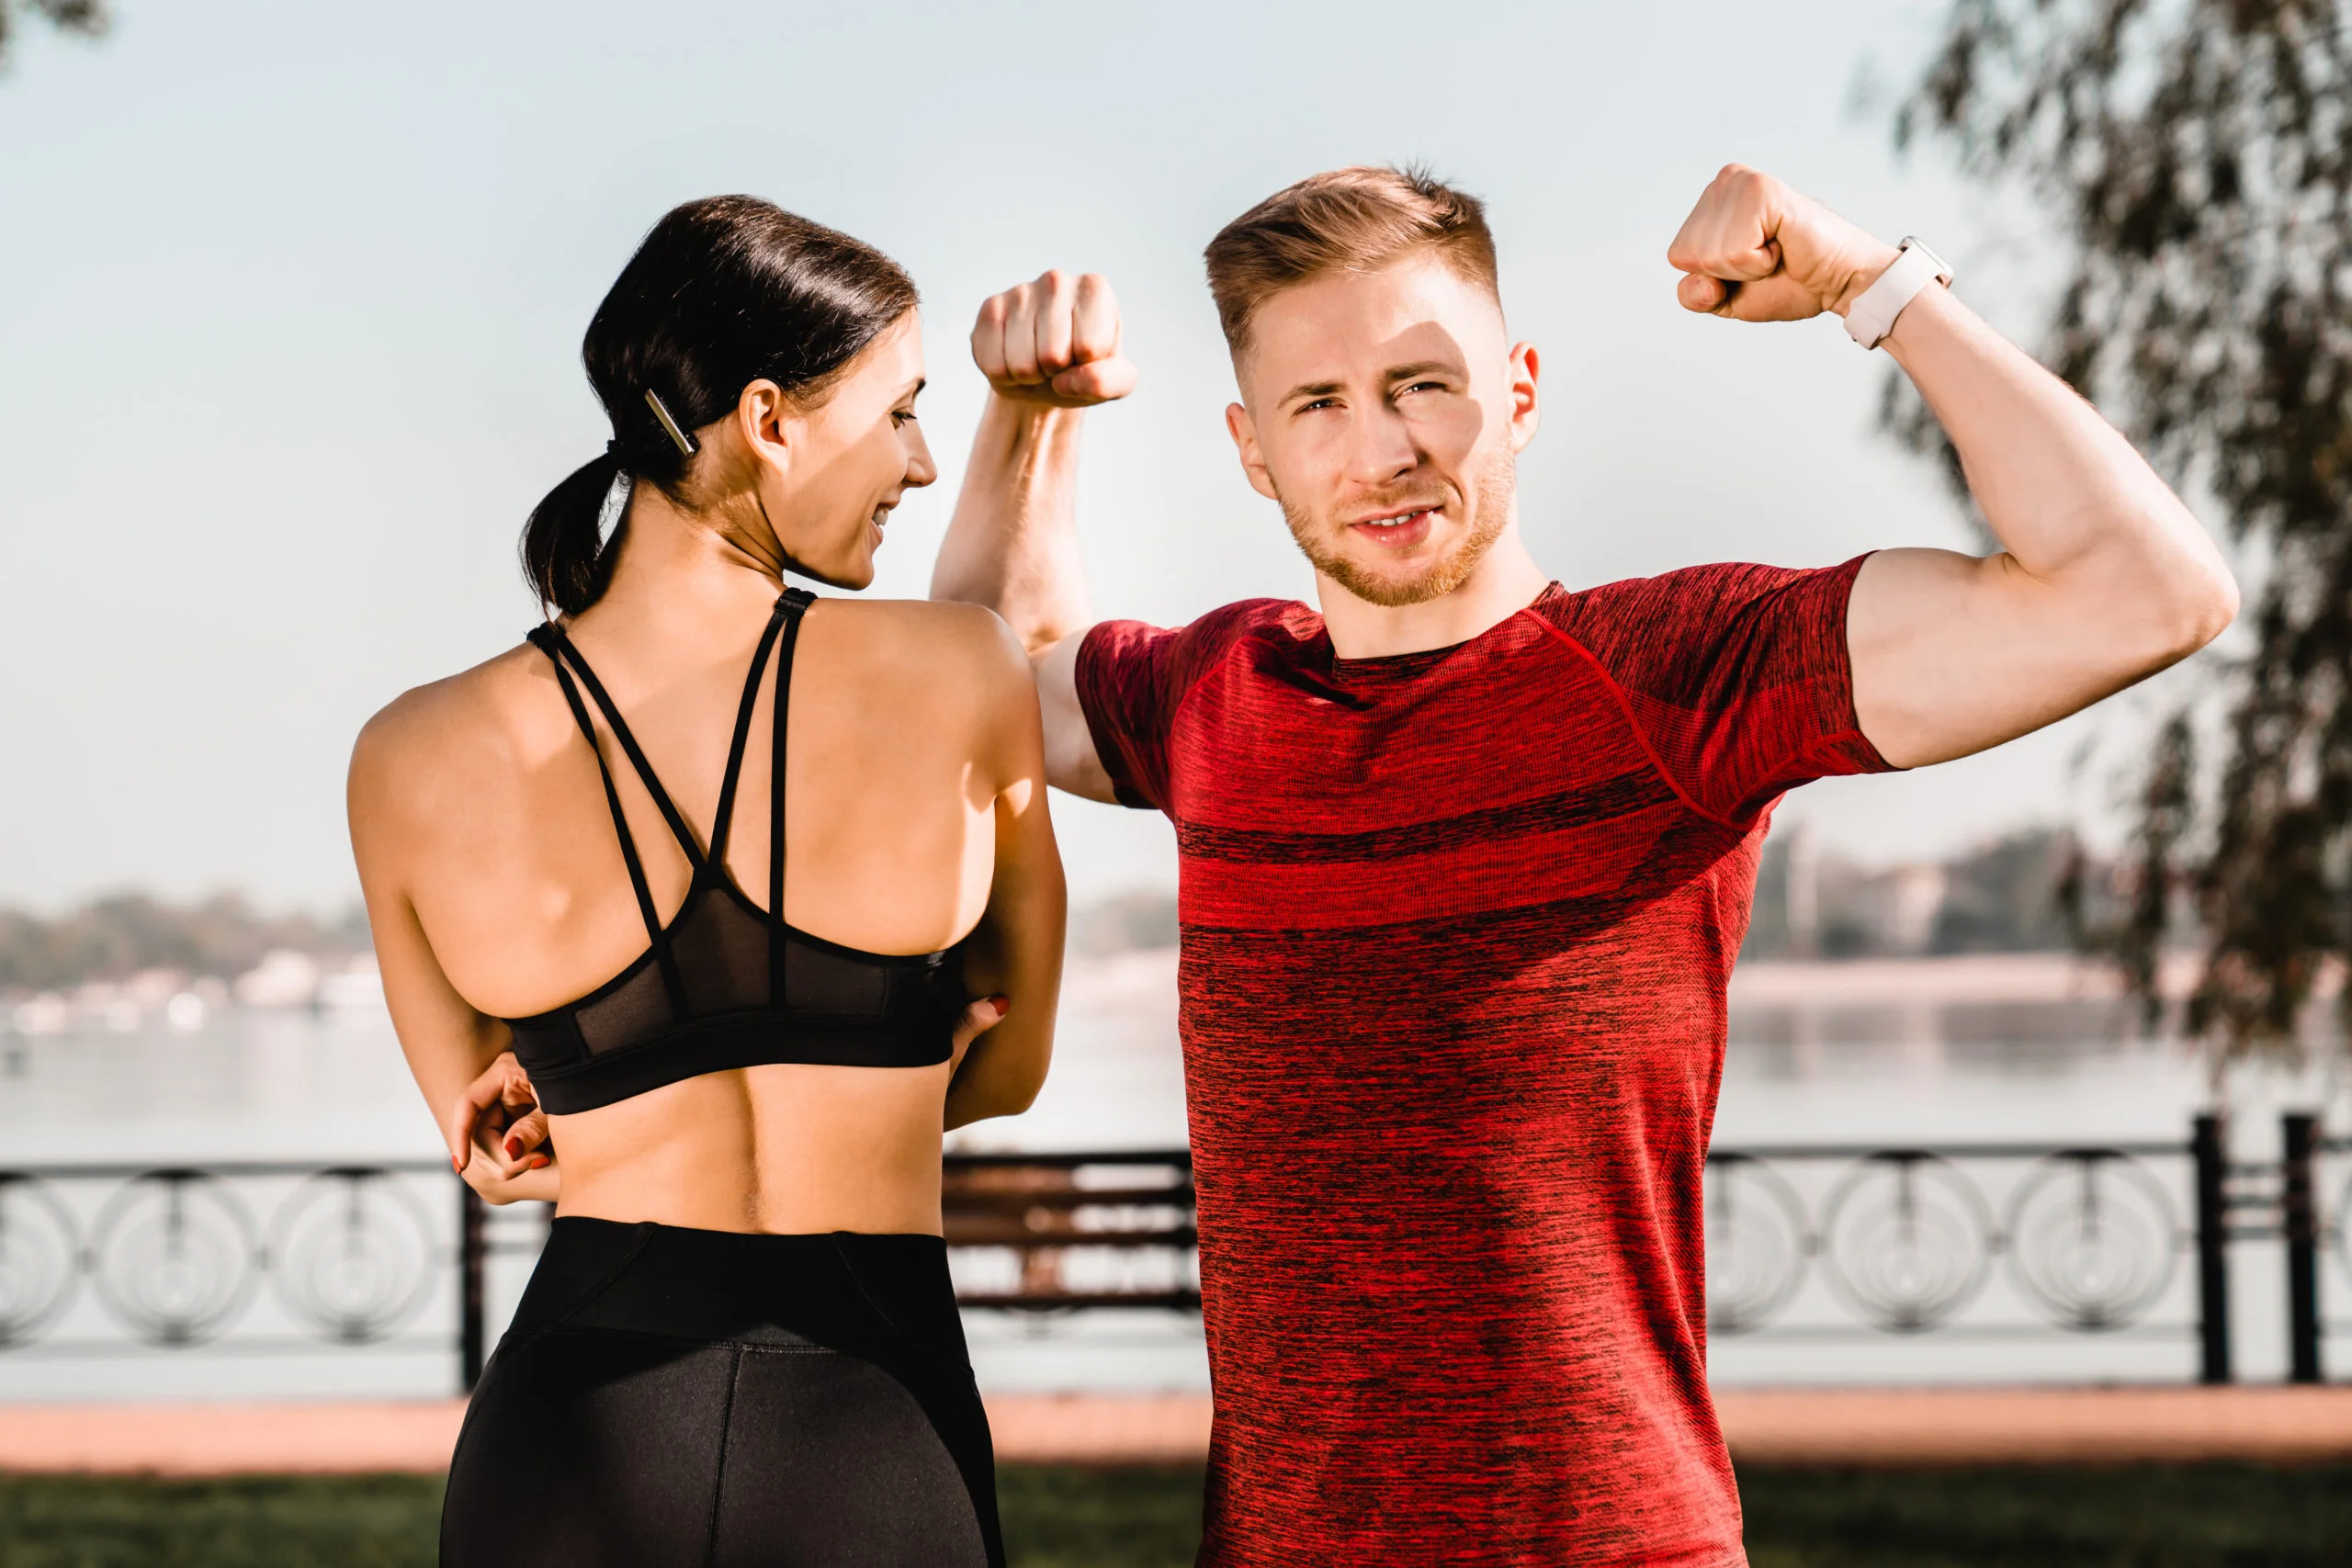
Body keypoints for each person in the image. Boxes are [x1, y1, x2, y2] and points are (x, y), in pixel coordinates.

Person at [931, 164, 2237, 1565]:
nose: (1384, 450)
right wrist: (1029, 425)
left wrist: (1879, 287)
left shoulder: (1675, 673)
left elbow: (2144, 590)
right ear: (1254, 450)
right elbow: (978, 674)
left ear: (1524, 391)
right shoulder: (1216, 696)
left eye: (1424, 383)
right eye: (1321, 404)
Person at [347, 195, 1066, 1568]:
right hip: (878, 1422)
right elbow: (1015, 1058)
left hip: (566, 1437)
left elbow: (500, 1145)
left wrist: (609, 1094)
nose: (917, 464)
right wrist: (891, 1064)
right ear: (769, 419)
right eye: (902, 412)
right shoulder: (960, 669)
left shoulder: (407, 754)